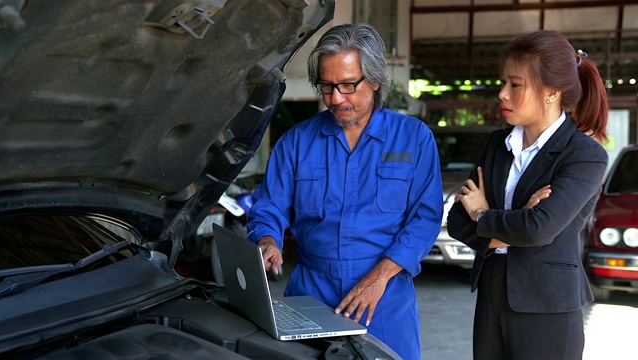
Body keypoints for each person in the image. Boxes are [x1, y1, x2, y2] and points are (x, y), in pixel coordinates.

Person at [246, 23, 443, 359]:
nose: (336, 99)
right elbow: (269, 208)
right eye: (326, 86)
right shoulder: (297, 142)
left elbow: (425, 219)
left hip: (384, 296)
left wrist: (379, 277)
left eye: (348, 85)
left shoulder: (414, 138)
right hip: (311, 291)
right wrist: (267, 240)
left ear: (376, 79)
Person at [447, 30, 608, 360]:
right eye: (503, 82)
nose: (502, 94)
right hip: (491, 297)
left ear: (551, 91)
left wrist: (483, 214)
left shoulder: (584, 155)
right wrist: (512, 227)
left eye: (515, 84)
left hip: (547, 307)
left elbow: (538, 228)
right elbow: (455, 221)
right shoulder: (497, 144)